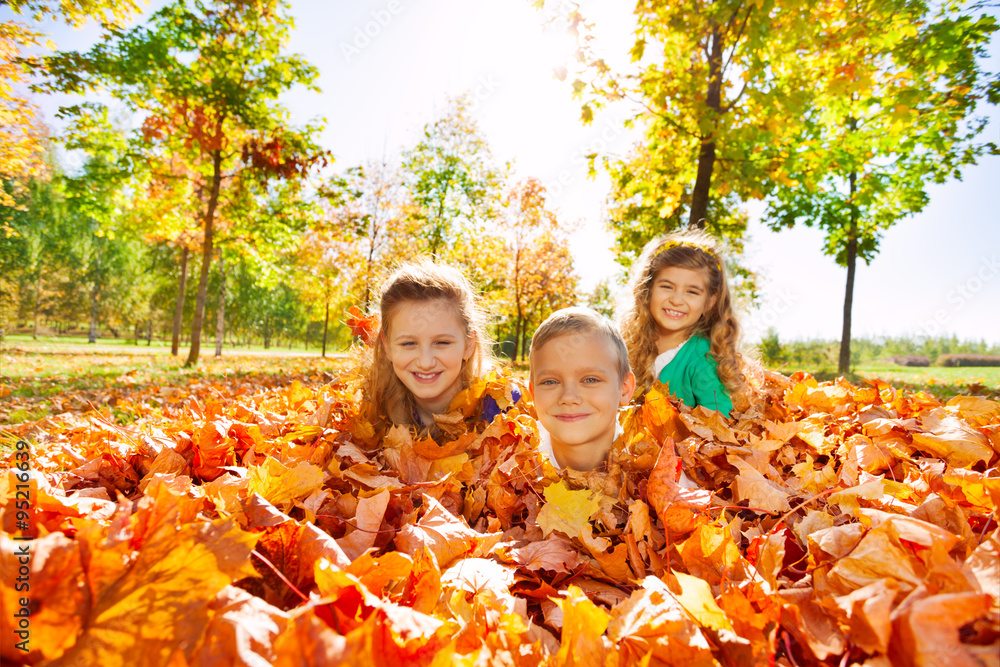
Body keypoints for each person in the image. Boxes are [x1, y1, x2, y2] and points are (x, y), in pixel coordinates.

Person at [364, 261, 514, 434]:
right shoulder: (371, 412)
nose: (425, 362)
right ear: (387, 345)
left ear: (468, 343)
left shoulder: (506, 409)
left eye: (442, 343)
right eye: (409, 343)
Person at [619, 229, 745, 416]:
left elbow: (719, 423)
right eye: (667, 287)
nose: (677, 300)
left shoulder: (703, 359)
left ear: (710, 302)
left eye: (692, 292)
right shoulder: (626, 345)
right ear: (647, 289)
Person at [528, 307, 636, 471]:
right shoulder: (512, 467)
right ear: (533, 393)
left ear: (624, 388)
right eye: (550, 382)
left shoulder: (665, 475)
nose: (568, 397)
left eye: (590, 380)